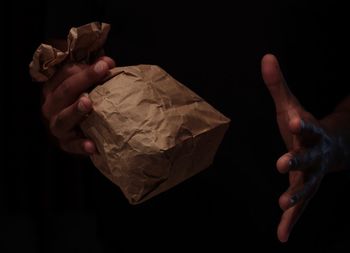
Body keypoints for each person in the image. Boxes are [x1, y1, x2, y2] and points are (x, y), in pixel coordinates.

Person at [36, 1, 350, 251]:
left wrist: (334, 138)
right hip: (136, 229)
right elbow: (62, 53)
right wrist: (64, 103)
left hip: (294, 223)